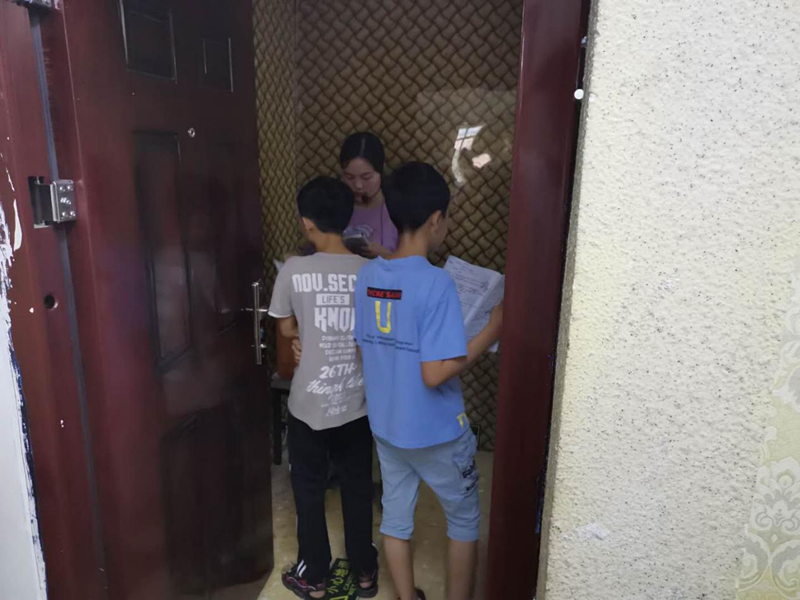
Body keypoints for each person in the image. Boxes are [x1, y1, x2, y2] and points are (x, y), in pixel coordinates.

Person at [354, 163, 503, 600]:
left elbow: (366, 348)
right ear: (436, 219)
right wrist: (493, 329)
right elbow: (435, 372)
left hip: (387, 426)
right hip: (437, 432)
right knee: (464, 520)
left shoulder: (367, 276)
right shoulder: (437, 284)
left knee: (396, 519)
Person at [269, 176, 379, 599]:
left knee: (309, 488)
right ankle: (365, 572)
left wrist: (303, 335)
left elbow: (285, 329)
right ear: (347, 219)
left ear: (306, 223)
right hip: (357, 402)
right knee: (357, 486)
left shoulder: (293, 270)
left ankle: (314, 575)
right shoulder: (369, 272)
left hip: (308, 404)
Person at [340, 132, 398, 258]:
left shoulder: (397, 207)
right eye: (349, 177)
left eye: (366, 177)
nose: (358, 185)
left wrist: (386, 256)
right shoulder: (334, 205)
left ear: (380, 172)